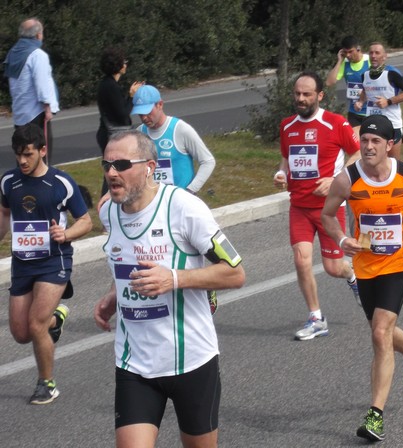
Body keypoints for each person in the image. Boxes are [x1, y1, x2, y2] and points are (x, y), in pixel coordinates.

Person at [93, 130, 245, 448]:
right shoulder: (108, 212)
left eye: (121, 164)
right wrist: (114, 292)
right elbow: (126, 258)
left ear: (149, 167)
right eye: (106, 164)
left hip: (191, 359)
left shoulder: (184, 208)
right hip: (134, 364)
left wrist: (173, 279)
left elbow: (235, 273)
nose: (111, 173)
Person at [321, 114, 403, 442]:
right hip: (365, 265)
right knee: (381, 330)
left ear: (389, 145)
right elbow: (327, 216)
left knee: (380, 333)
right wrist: (343, 240)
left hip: (398, 264)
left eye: (375, 142)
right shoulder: (347, 180)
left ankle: (375, 415)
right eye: (364, 141)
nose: (368, 147)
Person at [0, 123, 92, 404]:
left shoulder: (61, 183)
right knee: (20, 332)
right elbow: (4, 214)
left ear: (43, 150)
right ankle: (57, 317)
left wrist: (65, 234)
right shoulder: (8, 182)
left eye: (28, 154)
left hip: (54, 260)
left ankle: (46, 383)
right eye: (18, 154)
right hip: (22, 263)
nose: (22, 160)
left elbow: (86, 221)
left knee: (36, 324)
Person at [274, 71, 361, 341]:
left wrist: (335, 181)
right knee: (301, 260)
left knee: (334, 268)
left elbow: (357, 153)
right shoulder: (287, 126)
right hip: (299, 206)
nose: (300, 98)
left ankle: (353, 275)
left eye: (306, 94)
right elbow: (286, 159)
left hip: (328, 209)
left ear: (320, 96)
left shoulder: (336, 124)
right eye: (297, 93)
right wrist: (280, 174)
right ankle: (316, 317)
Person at [131, 84, 216, 193]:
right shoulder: (139, 133)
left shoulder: (180, 129)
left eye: (147, 112)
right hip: (152, 201)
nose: (144, 118)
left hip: (180, 202)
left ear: (160, 105)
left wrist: (190, 191)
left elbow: (208, 161)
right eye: (140, 114)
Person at [3, 18, 59, 164]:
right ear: (38, 35)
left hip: (20, 114)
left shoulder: (13, 53)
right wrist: (48, 108)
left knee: (22, 156)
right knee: (40, 158)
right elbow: (42, 84)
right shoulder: (37, 55)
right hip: (36, 114)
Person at [353, 42, 403, 160]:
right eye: (371, 53)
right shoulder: (364, 75)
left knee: (393, 163)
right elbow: (365, 91)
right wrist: (360, 102)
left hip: (392, 123)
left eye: (377, 53)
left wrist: (388, 102)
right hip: (372, 122)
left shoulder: (391, 74)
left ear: (384, 56)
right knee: (373, 162)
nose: (374, 56)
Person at [96, 47, 144, 196]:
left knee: (111, 168)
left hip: (106, 131)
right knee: (114, 169)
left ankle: (113, 196)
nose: (126, 65)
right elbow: (123, 114)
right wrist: (131, 96)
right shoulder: (111, 87)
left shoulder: (106, 84)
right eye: (124, 62)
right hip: (113, 134)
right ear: (118, 65)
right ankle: (108, 199)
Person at [325, 35, 370, 134]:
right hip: (354, 112)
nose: (348, 55)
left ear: (358, 49)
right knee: (356, 146)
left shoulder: (369, 61)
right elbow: (329, 82)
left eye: (350, 51)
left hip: (370, 111)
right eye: (345, 52)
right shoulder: (345, 63)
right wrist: (339, 61)